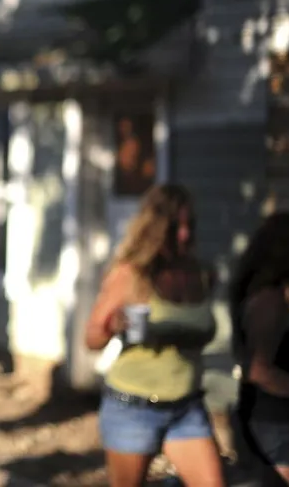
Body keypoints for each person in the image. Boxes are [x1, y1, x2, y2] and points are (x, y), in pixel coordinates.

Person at [84, 184, 223, 487]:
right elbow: (91, 339)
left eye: (189, 225)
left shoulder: (201, 274)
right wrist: (112, 326)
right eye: (176, 227)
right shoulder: (132, 274)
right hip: (134, 408)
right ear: (157, 228)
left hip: (186, 407)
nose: (184, 234)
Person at [230, 211, 289, 486]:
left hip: (285, 420)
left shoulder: (274, 295)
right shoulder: (268, 302)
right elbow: (257, 370)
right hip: (274, 423)